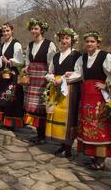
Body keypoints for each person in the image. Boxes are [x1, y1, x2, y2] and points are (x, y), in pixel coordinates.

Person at [68, 31, 111, 170]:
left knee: (100, 126)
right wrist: (66, 77)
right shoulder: (83, 58)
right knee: (88, 126)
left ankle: (101, 161)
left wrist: (106, 85)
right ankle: (94, 157)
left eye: (92, 41)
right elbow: (78, 74)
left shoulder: (105, 56)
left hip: (99, 97)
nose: (89, 44)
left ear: (98, 43)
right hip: (86, 96)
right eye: (87, 41)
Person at [45, 28, 81, 157]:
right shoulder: (56, 55)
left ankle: (68, 146)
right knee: (57, 115)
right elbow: (50, 72)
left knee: (68, 118)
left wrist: (64, 79)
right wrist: (53, 78)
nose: (64, 41)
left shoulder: (77, 55)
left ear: (72, 40)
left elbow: (79, 73)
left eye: (67, 38)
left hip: (69, 90)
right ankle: (61, 144)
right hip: (56, 88)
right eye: (62, 38)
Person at [22, 18, 57, 144]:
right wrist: (26, 67)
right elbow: (28, 61)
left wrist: (50, 77)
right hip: (32, 78)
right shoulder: (30, 45)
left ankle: (43, 136)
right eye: (32, 28)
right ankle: (38, 134)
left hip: (42, 79)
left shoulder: (49, 44)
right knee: (33, 106)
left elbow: (52, 63)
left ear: (42, 30)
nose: (33, 31)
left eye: (36, 28)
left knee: (41, 106)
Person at [0, 23, 25, 130]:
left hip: (11, 74)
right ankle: (4, 120)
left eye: (7, 31)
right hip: (2, 73)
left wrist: (9, 61)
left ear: (12, 31)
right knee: (2, 97)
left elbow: (20, 61)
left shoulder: (16, 44)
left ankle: (11, 123)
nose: (5, 33)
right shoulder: (2, 44)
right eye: (4, 31)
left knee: (11, 98)